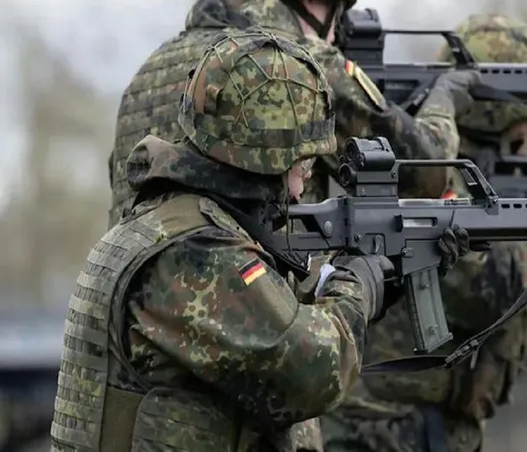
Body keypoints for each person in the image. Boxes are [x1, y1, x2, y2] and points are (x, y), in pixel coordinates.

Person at [50, 29, 468, 452]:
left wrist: (386, 280)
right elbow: (312, 371)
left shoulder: (177, 222)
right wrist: (359, 284)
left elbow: (272, 329)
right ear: (264, 158)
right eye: (302, 157)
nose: (308, 173)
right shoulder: (195, 252)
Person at [108, 0, 473, 225]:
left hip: (138, 302)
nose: (336, 32)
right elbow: (424, 173)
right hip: (256, 306)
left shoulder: (151, 68)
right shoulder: (294, 65)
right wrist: (445, 97)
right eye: (338, 10)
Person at [320, 13, 527, 452]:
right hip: (380, 429)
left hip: (429, 429)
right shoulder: (427, 176)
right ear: (496, 109)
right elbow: (490, 290)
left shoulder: (469, 173)